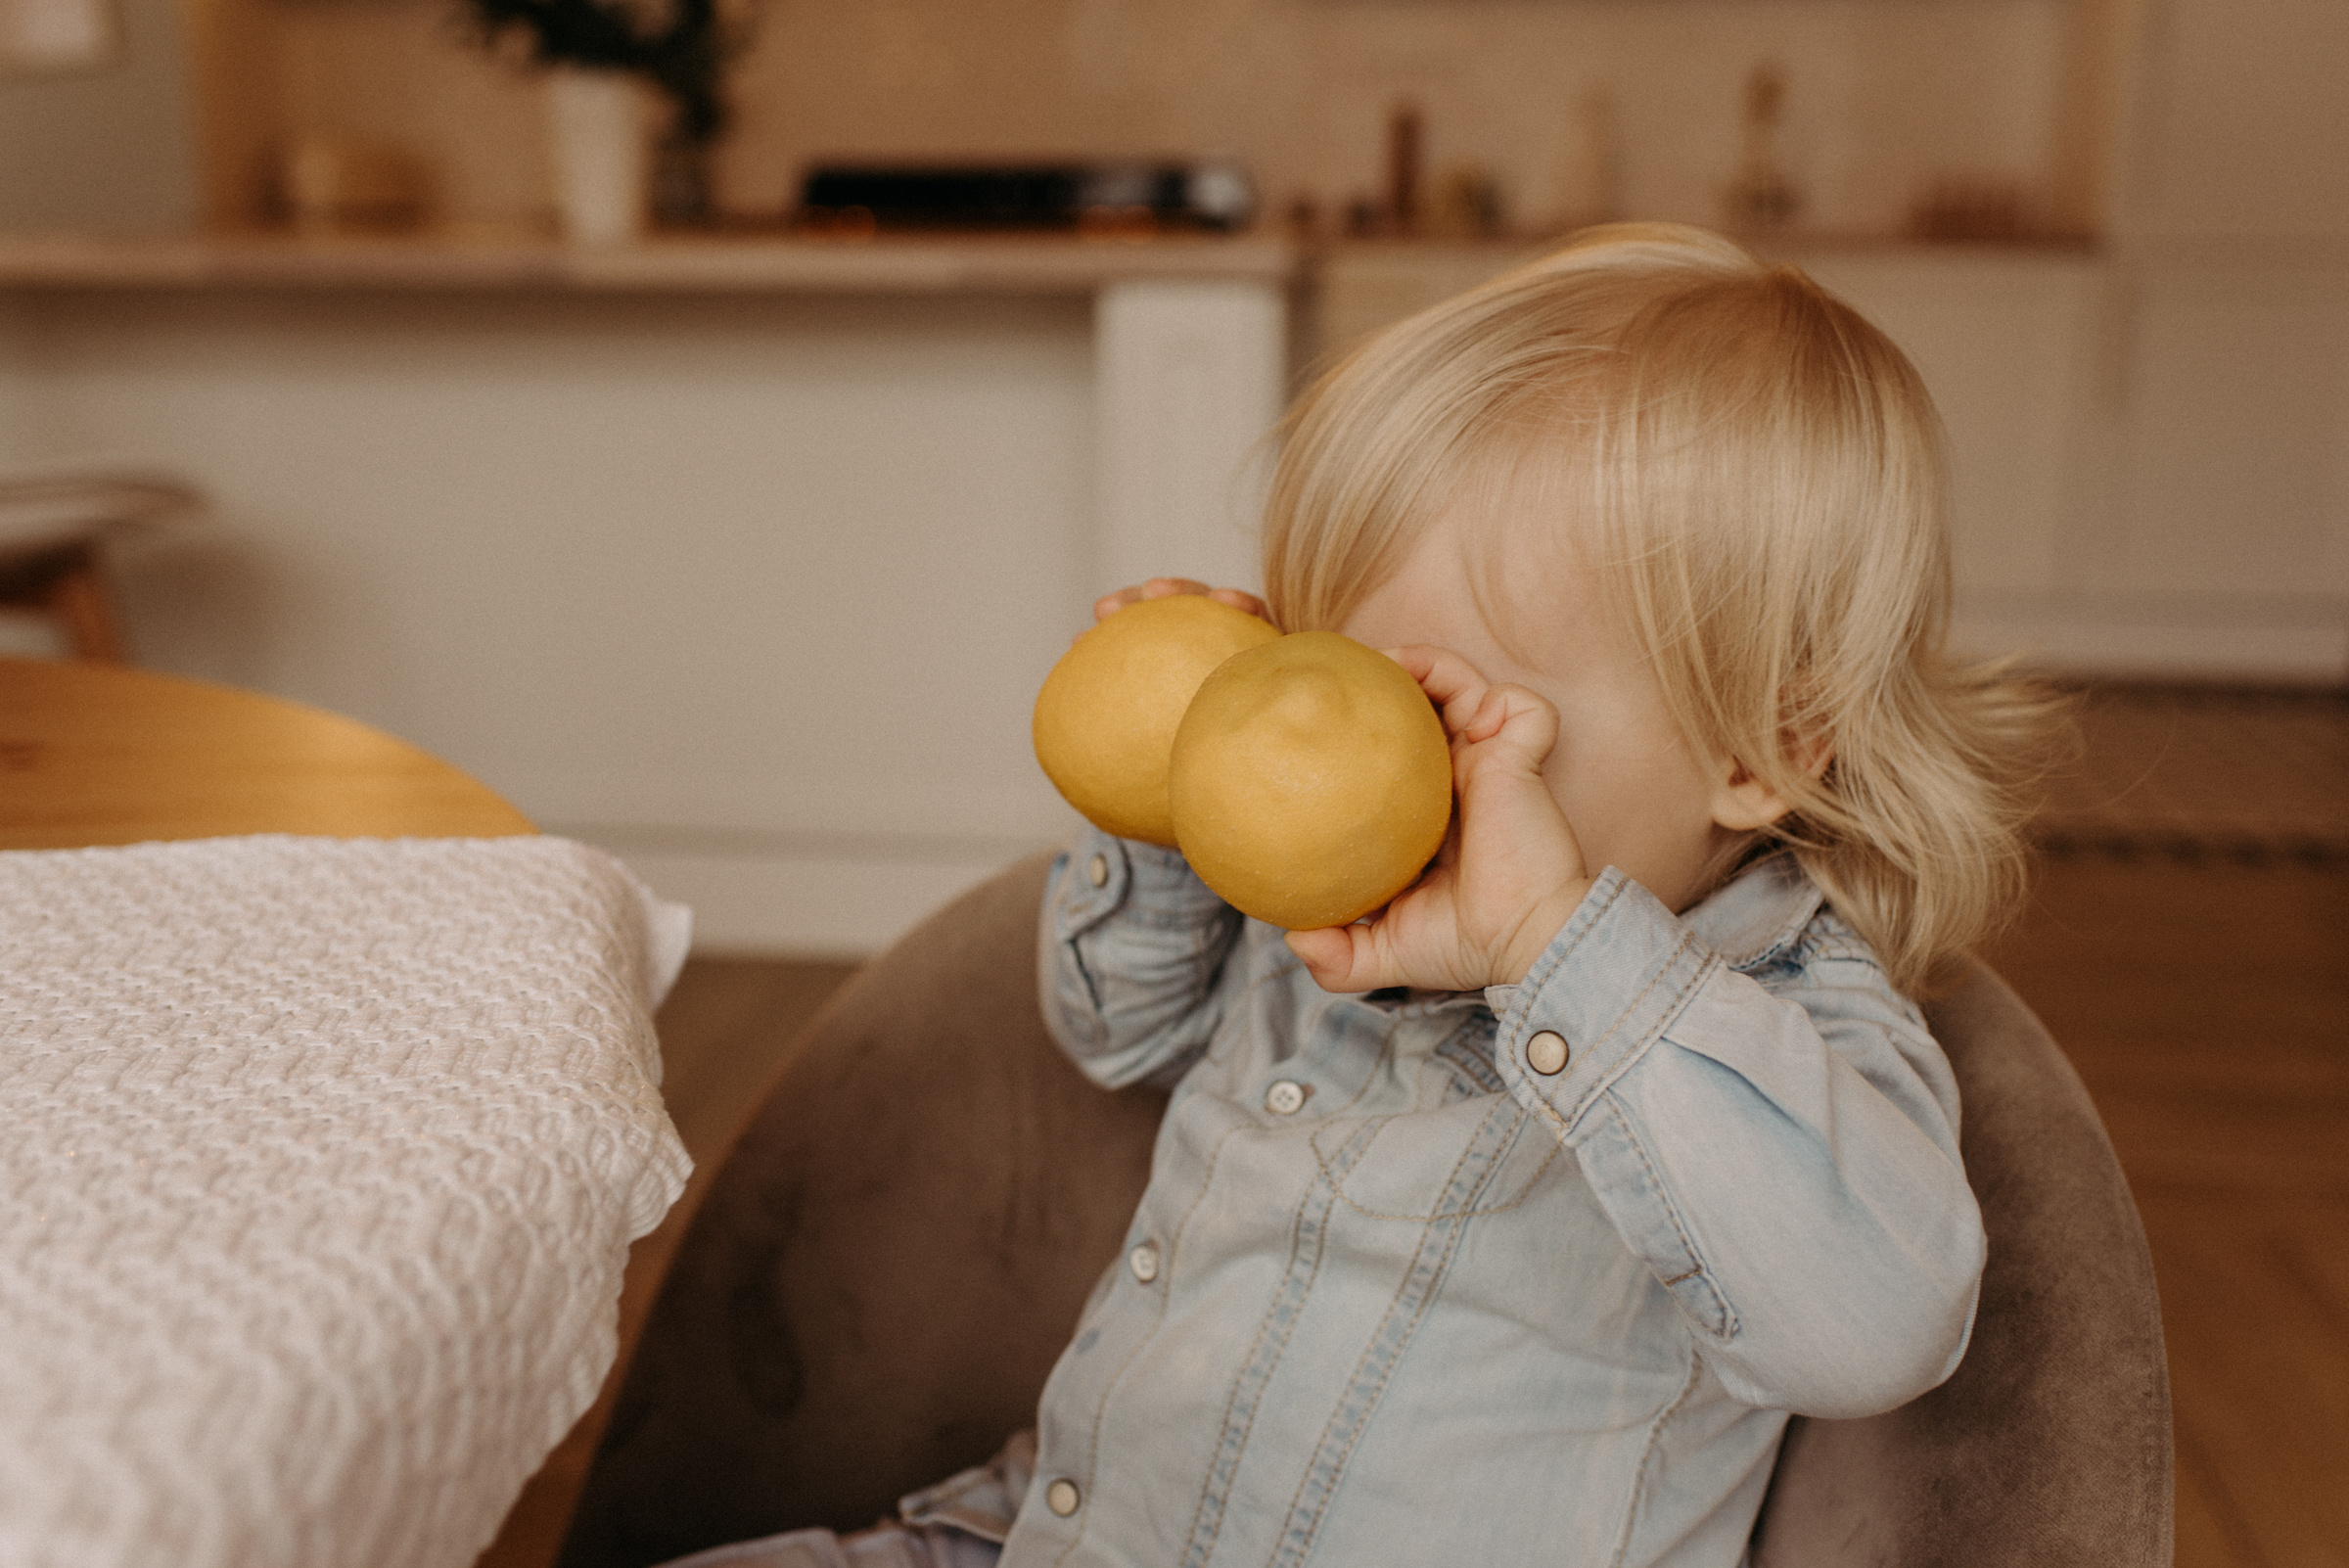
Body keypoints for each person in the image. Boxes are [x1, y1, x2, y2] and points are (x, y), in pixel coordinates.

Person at [658, 221, 2058, 1568]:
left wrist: (1554, 947)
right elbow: (1112, 1031)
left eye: (1441, 707)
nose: (1356, 746)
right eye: (1338, 667)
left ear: (1762, 744)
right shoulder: (1340, 900)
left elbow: (1873, 1325)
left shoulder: (1786, 1023)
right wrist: (1170, 806)